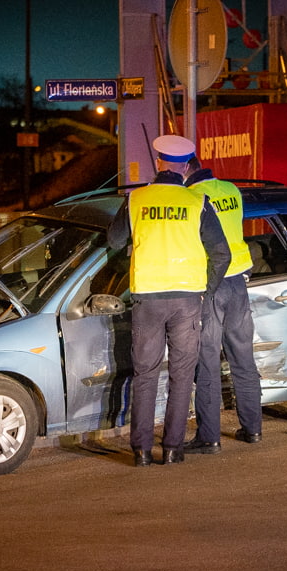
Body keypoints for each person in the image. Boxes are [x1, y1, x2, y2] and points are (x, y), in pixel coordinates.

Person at [107, 135, 230, 467]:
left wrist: (134, 256)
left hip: (147, 297)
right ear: (187, 167)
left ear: (158, 163)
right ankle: (173, 448)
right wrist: (206, 289)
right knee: (181, 374)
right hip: (187, 300)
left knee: (145, 374)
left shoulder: (136, 200)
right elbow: (222, 254)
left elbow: (114, 241)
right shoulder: (197, 202)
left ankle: (142, 451)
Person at [183, 157, 263, 455]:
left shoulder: (193, 198)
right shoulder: (231, 190)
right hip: (239, 283)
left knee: (207, 363)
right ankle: (253, 429)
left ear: (186, 170)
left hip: (211, 284)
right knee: (243, 358)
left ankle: (209, 437)